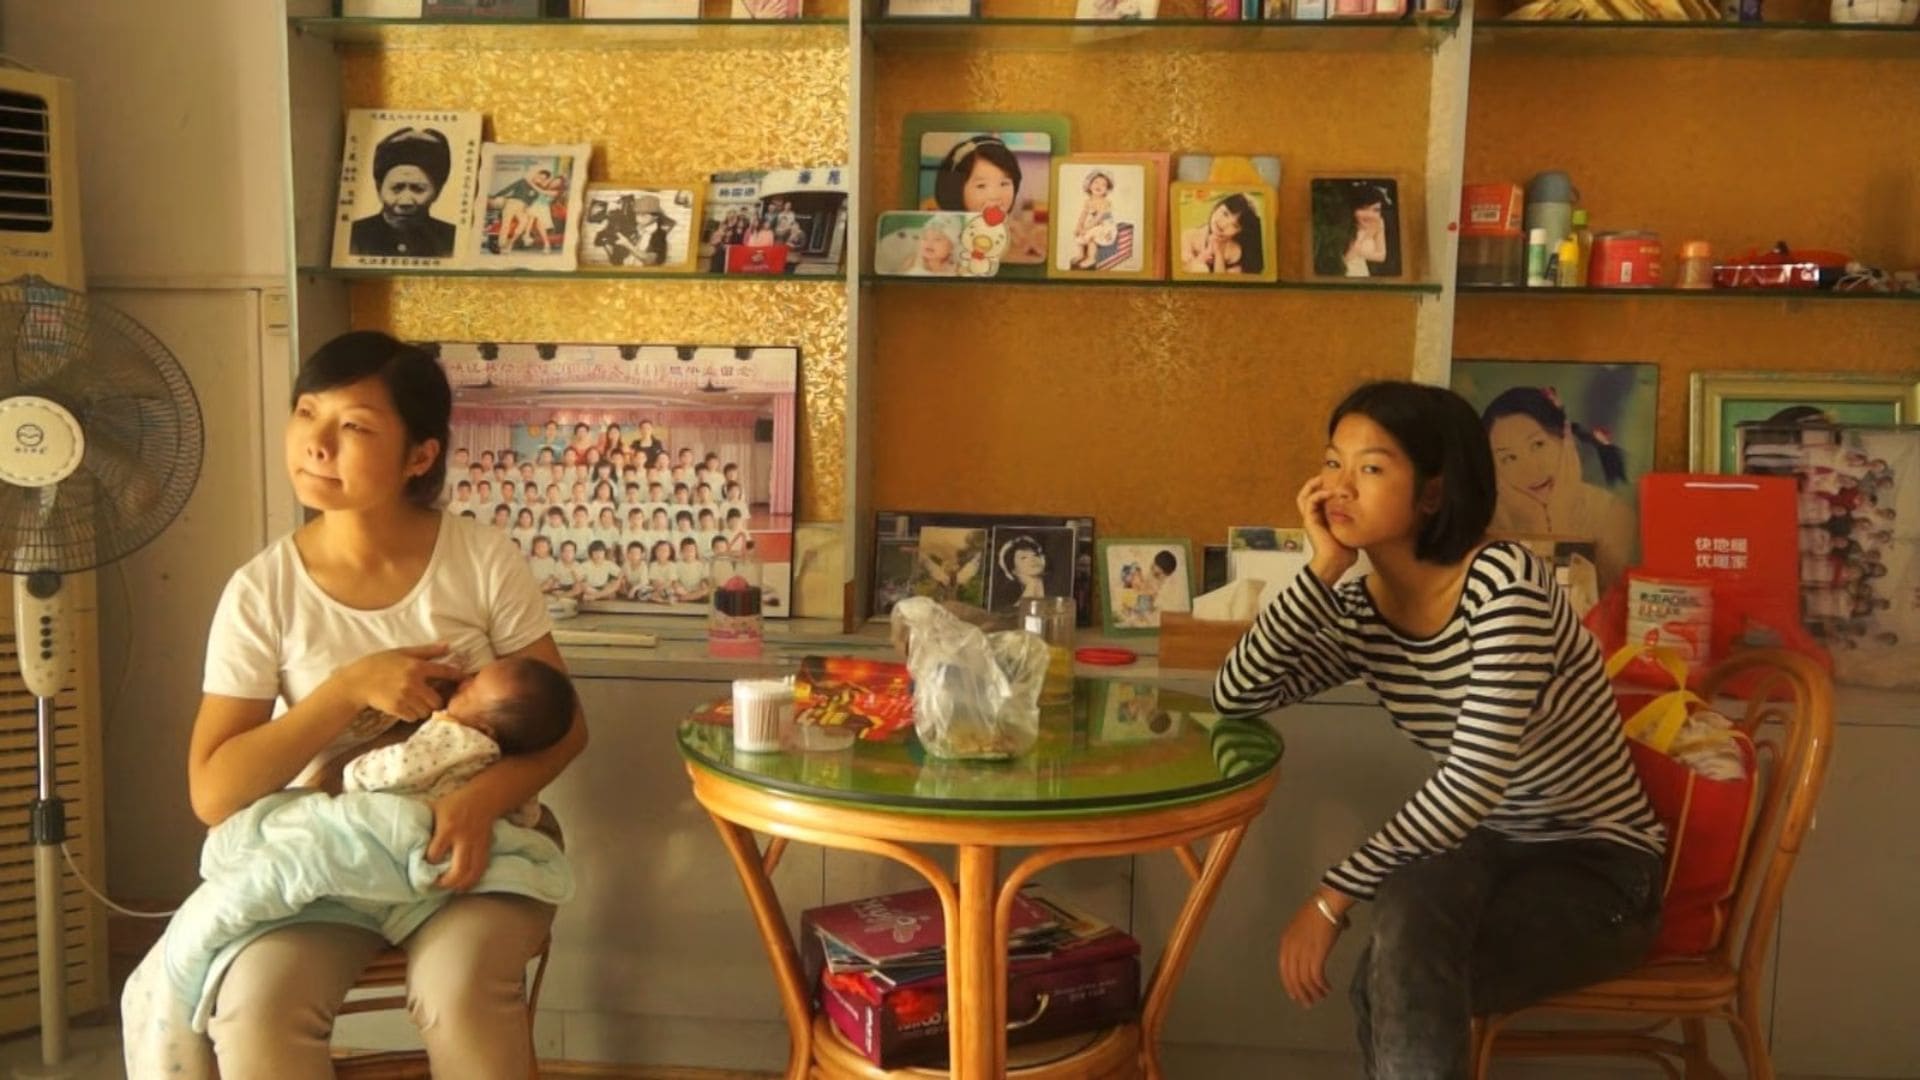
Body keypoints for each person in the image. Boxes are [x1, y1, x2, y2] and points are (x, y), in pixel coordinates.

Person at [1212, 380, 1664, 1078]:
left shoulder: (1502, 586)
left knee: (1396, 972)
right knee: (1404, 936)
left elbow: (1471, 782)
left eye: (1370, 467)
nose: (1338, 486)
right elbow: (1239, 691)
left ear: (1432, 493)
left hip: (1599, 869)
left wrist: (1330, 898)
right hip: (1490, 847)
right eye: (1333, 462)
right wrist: (1323, 569)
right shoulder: (1367, 608)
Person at [187, 331, 585, 1077]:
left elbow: (567, 729)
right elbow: (214, 792)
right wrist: (345, 690)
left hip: (470, 855)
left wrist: (474, 804)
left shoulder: (480, 558)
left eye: (355, 426)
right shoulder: (261, 591)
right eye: (307, 413)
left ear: (420, 456)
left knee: (462, 989)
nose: (316, 444)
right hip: (331, 862)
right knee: (256, 1010)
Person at [343, 656, 576, 829]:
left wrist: (356, 772)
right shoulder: (507, 761)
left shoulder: (458, 737)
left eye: (468, 693)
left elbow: (401, 767)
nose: (462, 683)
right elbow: (526, 816)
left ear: (484, 730)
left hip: (412, 824)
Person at [1480, 385, 1636, 592]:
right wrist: (1537, 524)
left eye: (1538, 445)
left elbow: (1606, 607)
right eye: (1509, 458)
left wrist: (1559, 520)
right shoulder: (1486, 521)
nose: (1530, 469)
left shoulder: (1612, 514)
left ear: (1565, 440)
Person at [349, 127, 458, 259]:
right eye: (397, 188)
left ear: (438, 191)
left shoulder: (452, 239)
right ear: (379, 188)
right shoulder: (353, 236)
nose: (405, 201)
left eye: (418, 189)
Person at [1181, 193, 1264, 276]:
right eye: (1225, 213)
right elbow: (1183, 272)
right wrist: (1202, 258)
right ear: (1217, 207)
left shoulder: (1241, 256)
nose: (1224, 224)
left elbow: (1223, 285)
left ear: (1239, 232)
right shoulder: (1190, 236)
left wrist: (1219, 253)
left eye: (1235, 225)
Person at [1069, 170, 1118, 270]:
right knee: (1079, 234)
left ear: (1107, 190)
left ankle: (1091, 258)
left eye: (1103, 185)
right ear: (1089, 185)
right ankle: (1081, 254)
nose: (1099, 186)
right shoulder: (1088, 201)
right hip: (1094, 225)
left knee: (1091, 236)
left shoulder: (1105, 202)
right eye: (1096, 182)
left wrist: (1086, 229)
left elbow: (1098, 218)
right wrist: (1079, 227)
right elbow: (1083, 215)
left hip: (1106, 227)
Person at [994, 534, 1050, 609]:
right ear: (1013, 569)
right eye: (1024, 558)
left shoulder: (1059, 586)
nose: (1033, 559)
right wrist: (1031, 584)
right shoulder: (1007, 598)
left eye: (1035, 555)